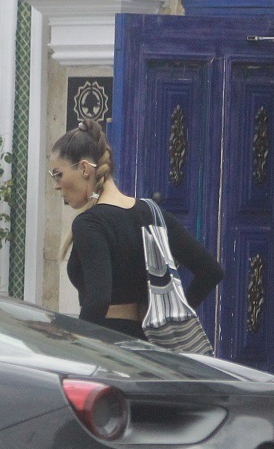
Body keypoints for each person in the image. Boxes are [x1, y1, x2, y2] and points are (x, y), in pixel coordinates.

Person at [50, 118, 223, 339]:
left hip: (108, 344)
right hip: (147, 344)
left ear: (84, 168)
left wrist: (77, 345)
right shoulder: (151, 213)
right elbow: (211, 271)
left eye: (58, 174)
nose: (56, 185)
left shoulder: (90, 223)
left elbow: (98, 300)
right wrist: (173, 318)